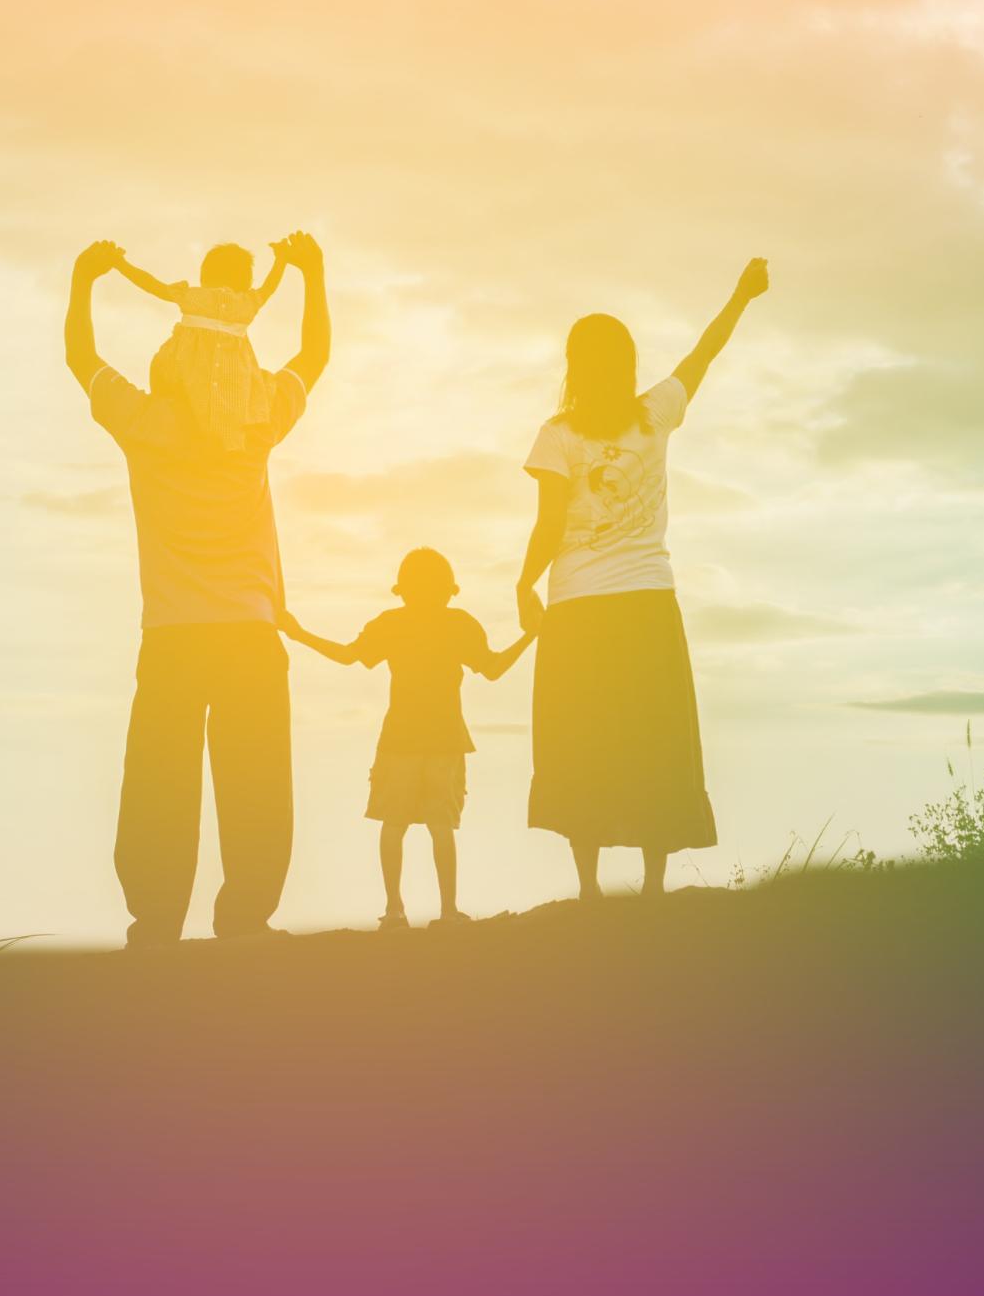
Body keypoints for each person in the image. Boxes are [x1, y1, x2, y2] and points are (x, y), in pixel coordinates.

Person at [62, 231, 329, 947]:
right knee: (257, 779)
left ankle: (155, 921)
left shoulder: (145, 422)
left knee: (159, 779)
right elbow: (315, 356)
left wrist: (85, 280)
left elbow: (82, 359)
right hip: (249, 634)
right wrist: (311, 274)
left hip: (172, 636)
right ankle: (246, 919)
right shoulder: (259, 418)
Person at [515, 257, 770, 899]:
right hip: (649, 606)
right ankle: (654, 886)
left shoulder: (557, 434)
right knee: (654, 742)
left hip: (578, 609)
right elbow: (704, 352)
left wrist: (522, 585)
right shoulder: (654, 412)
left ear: (574, 367)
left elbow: (550, 524)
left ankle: (590, 890)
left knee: (582, 742)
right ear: (628, 364)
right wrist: (742, 295)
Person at [280, 549, 536, 929]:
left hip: (401, 739)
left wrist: (298, 633)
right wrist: (531, 634)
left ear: (402, 589)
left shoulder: (392, 623)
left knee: (394, 824)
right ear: (449, 589)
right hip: (445, 739)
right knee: (441, 827)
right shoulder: (459, 623)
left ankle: (394, 910)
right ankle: (447, 911)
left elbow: (348, 656)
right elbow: (494, 668)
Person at [110, 242, 290, 452]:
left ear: (204, 277)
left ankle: (167, 425)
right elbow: (270, 286)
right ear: (246, 281)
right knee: (234, 408)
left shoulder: (192, 297)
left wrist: (120, 264)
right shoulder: (247, 303)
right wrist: (281, 259)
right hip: (232, 379)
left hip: (185, 371)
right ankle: (228, 447)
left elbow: (150, 284)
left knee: (167, 387)